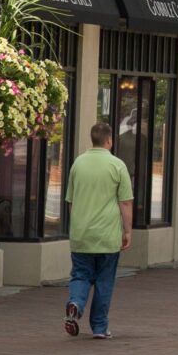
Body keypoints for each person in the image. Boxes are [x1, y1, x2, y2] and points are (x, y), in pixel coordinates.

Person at [64, 121, 133, 340]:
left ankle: (75, 303)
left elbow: (71, 201)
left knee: (80, 275)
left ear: (92, 139)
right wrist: (127, 231)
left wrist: (76, 225)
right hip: (107, 235)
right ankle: (100, 328)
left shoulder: (78, 164)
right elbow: (125, 203)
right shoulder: (117, 165)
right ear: (109, 140)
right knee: (104, 281)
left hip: (81, 234)